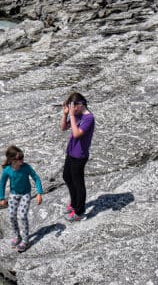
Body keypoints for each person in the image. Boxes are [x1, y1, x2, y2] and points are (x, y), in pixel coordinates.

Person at [0, 144, 43, 252]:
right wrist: (1, 198)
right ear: (12, 160)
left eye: (22, 157)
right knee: (12, 216)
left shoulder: (26, 167)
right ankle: (17, 236)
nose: (22, 160)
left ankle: (26, 240)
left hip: (25, 194)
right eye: (19, 159)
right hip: (14, 195)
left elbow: (36, 178)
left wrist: (39, 193)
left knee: (22, 216)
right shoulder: (7, 170)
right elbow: (2, 184)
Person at [61, 91, 94, 221]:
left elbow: (76, 134)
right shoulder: (78, 115)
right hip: (71, 152)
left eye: (73, 107)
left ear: (80, 105)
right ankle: (74, 203)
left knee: (78, 182)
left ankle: (79, 212)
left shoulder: (88, 118)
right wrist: (65, 115)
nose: (71, 110)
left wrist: (72, 116)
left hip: (80, 155)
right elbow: (64, 128)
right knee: (67, 176)